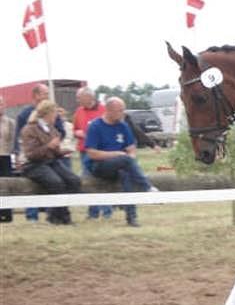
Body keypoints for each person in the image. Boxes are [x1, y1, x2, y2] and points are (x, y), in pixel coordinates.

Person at [84, 97, 156, 227]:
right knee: (124, 161)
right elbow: (92, 153)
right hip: (98, 166)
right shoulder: (95, 126)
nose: (123, 114)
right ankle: (146, 187)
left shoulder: (122, 126)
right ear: (109, 110)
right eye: (120, 111)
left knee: (126, 174)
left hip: (120, 166)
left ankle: (131, 217)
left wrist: (131, 159)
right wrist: (117, 155)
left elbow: (131, 149)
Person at [20, 100, 80, 225]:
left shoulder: (52, 129)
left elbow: (54, 151)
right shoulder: (29, 129)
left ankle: (56, 214)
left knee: (73, 180)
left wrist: (63, 151)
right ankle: (61, 217)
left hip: (50, 162)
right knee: (56, 183)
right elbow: (31, 155)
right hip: (34, 165)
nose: (56, 117)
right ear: (47, 114)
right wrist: (49, 146)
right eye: (54, 114)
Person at [14, 83, 66, 222]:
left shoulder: (53, 118)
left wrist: (59, 147)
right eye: (45, 94)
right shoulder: (24, 115)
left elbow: (60, 131)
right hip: (32, 161)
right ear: (36, 95)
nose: (47, 96)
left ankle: (56, 215)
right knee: (37, 185)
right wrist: (17, 156)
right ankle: (33, 216)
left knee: (63, 180)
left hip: (49, 158)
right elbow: (19, 137)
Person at [73, 86, 113, 219]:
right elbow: (75, 129)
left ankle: (107, 212)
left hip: (101, 152)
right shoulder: (78, 111)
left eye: (79, 97)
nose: (77, 100)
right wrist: (77, 133)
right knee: (88, 181)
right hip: (85, 152)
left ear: (88, 97)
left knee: (103, 181)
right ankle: (93, 212)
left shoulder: (104, 110)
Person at [0, 96, 16, 222]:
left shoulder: (10, 122)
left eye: (2, 103)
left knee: (7, 185)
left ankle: (7, 214)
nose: (1, 106)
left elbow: (11, 140)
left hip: (5, 157)